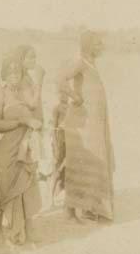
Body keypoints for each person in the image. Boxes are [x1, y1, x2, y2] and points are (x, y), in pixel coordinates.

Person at [58, 30, 115, 222]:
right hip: (83, 124)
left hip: (95, 123)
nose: (102, 47)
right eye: (98, 44)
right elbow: (60, 79)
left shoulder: (91, 63)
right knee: (83, 162)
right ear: (89, 45)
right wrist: (75, 97)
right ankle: (74, 210)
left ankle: (90, 207)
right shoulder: (80, 62)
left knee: (93, 160)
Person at [0, 55, 43, 245]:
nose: (14, 73)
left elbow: (35, 104)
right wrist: (22, 121)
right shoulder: (0, 94)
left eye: (17, 70)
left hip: (24, 147)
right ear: (4, 73)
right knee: (9, 188)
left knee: (27, 185)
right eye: (10, 70)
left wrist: (40, 80)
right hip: (7, 148)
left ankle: (26, 229)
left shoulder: (25, 92)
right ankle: (13, 230)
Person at [49, 80, 70, 207]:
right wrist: (55, 144)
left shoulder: (71, 107)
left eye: (67, 93)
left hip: (70, 139)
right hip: (60, 138)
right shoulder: (56, 108)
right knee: (57, 169)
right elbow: (53, 127)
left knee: (67, 167)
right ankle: (50, 199)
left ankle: (66, 196)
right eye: (62, 93)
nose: (64, 96)